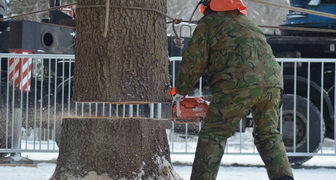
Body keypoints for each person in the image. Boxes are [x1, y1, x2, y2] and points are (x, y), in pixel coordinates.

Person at [171, 0, 294, 179]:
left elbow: (193, 62)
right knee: (268, 134)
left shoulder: (209, 23)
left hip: (237, 84)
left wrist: (180, 90)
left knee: (214, 134)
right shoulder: (248, 23)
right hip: (272, 85)